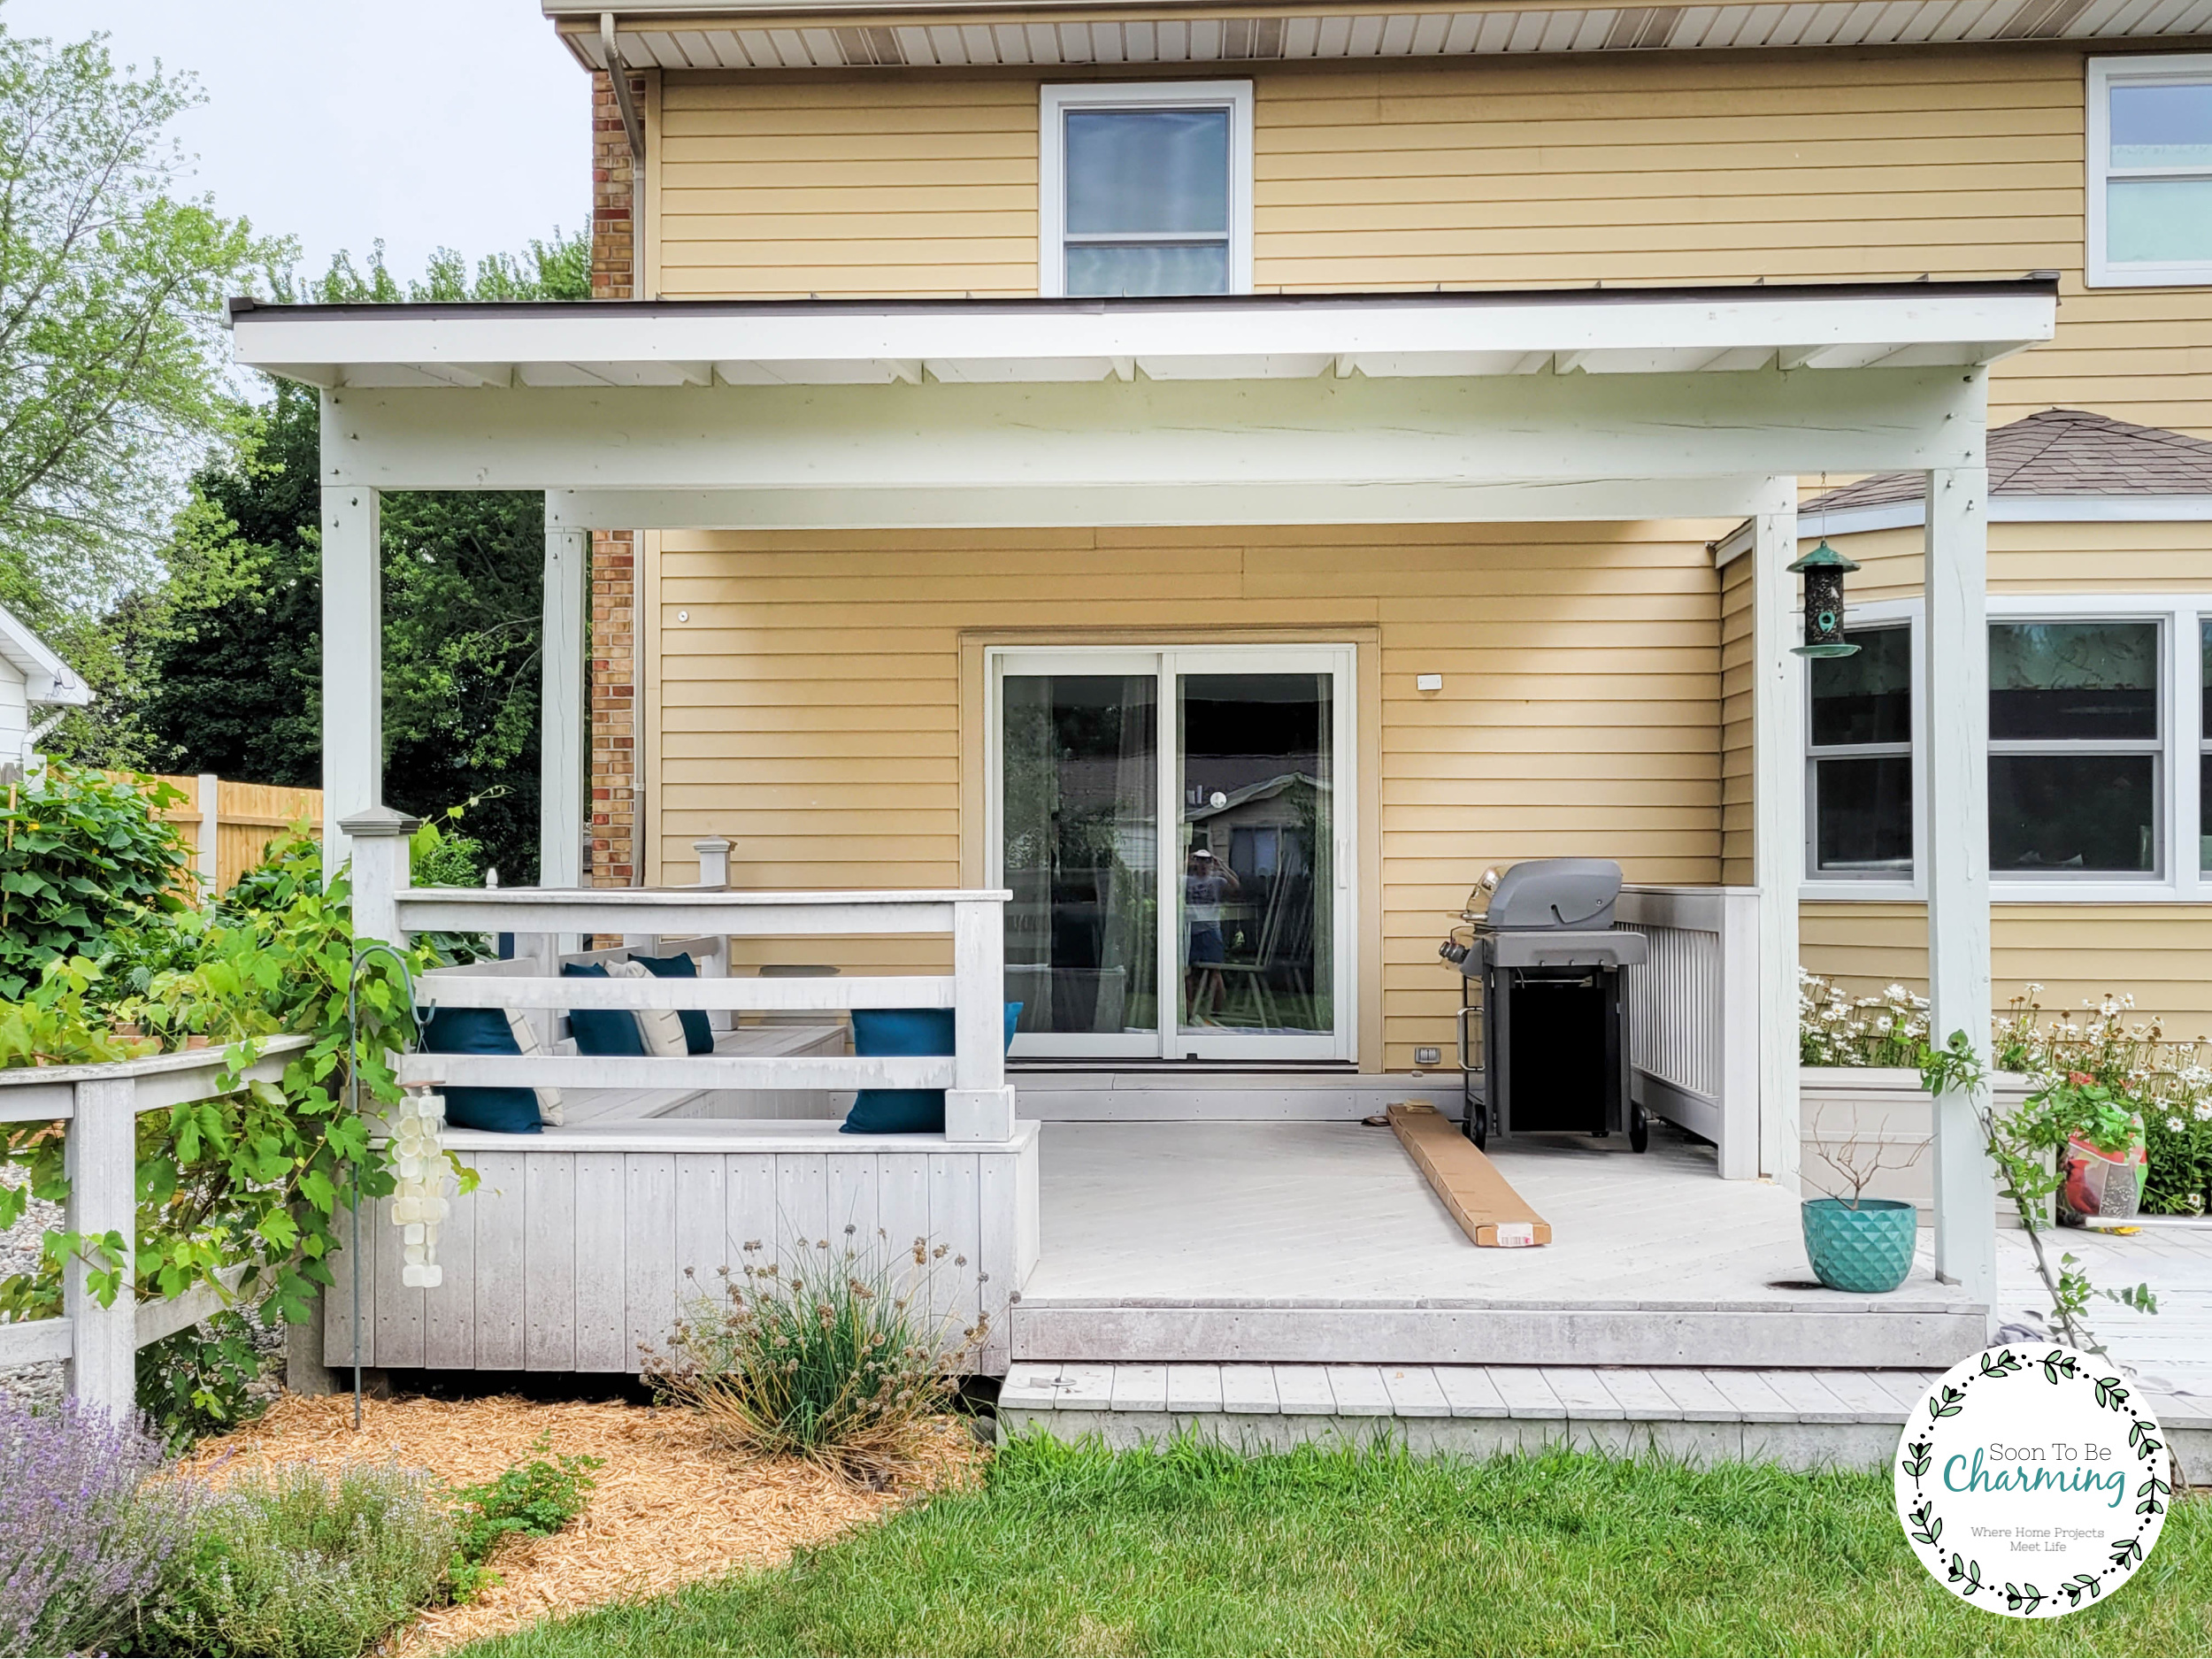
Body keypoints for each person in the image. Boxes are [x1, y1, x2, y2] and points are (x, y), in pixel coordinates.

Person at [1183, 846, 1241, 1025]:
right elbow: (1162, 879)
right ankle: (1189, 1013)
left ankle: (1217, 1014)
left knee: (1215, 972)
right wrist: (1186, 860)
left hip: (1211, 930)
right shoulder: (1186, 880)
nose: (1203, 865)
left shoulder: (1217, 881)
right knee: (1188, 974)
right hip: (1191, 929)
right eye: (1200, 861)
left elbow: (1236, 885)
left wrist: (1221, 865)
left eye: (1206, 861)